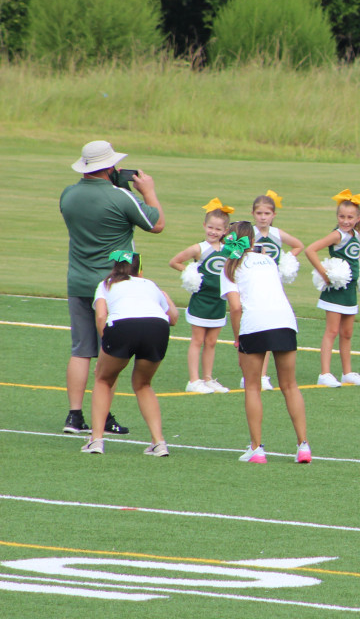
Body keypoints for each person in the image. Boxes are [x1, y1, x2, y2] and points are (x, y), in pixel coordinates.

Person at [60, 140, 165, 435]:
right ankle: (103, 417)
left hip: (78, 279)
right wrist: (149, 192)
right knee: (110, 351)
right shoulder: (120, 197)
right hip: (112, 284)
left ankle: (74, 416)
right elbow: (156, 224)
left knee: (81, 349)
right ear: (108, 168)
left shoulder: (68, 195)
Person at [220, 222, 310, 464]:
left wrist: (238, 339)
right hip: (285, 320)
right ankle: (303, 446)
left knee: (252, 386)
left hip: (254, 323)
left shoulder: (229, 268)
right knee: (290, 385)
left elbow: (236, 307)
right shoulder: (269, 261)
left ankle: (257, 448)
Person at [80, 251, 178, 455]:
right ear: (139, 269)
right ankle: (159, 443)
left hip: (123, 326)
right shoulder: (150, 284)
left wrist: (106, 345)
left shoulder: (106, 284)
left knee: (103, 379)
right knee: (143, 385)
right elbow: (174, 317)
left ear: (115, 267)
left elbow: (101, 317)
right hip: (157, 327)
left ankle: (96, 440)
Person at [306, 190, 360, 387]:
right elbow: (310, 250)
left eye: (350, 217)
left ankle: (347, 372)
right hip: (335, 291)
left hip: (350, 291)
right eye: (342, 216)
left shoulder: (356, 235)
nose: (345, 220)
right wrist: (325, 274)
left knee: (347, 332)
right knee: (332, 331)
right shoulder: (337, 235)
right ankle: (324, 373)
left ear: (358, 219)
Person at [168, 199, 232, 393]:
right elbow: (175, 261)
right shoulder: (199, 248)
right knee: (197, 340)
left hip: (219, 302)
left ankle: (208, 378)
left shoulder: (229, 249)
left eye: (218, 229)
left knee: (212, 342)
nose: (213, 232)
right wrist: (191, 273)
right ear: (204, 226)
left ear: (225, 231)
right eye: (210, 227)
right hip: (201, 301)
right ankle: (193, 380)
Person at [243, 190, 304, 391]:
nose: (263, 217)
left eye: (267, 214)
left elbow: (298, 245)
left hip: (272, 286)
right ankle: (253, 375)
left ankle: (262, 375)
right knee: (259, 326)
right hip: (254, 286)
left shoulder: (277, 234)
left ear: (273, 215)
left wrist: (285, 262)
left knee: (269, 327)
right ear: (253, 214)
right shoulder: (249, 234)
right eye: (259, 213)